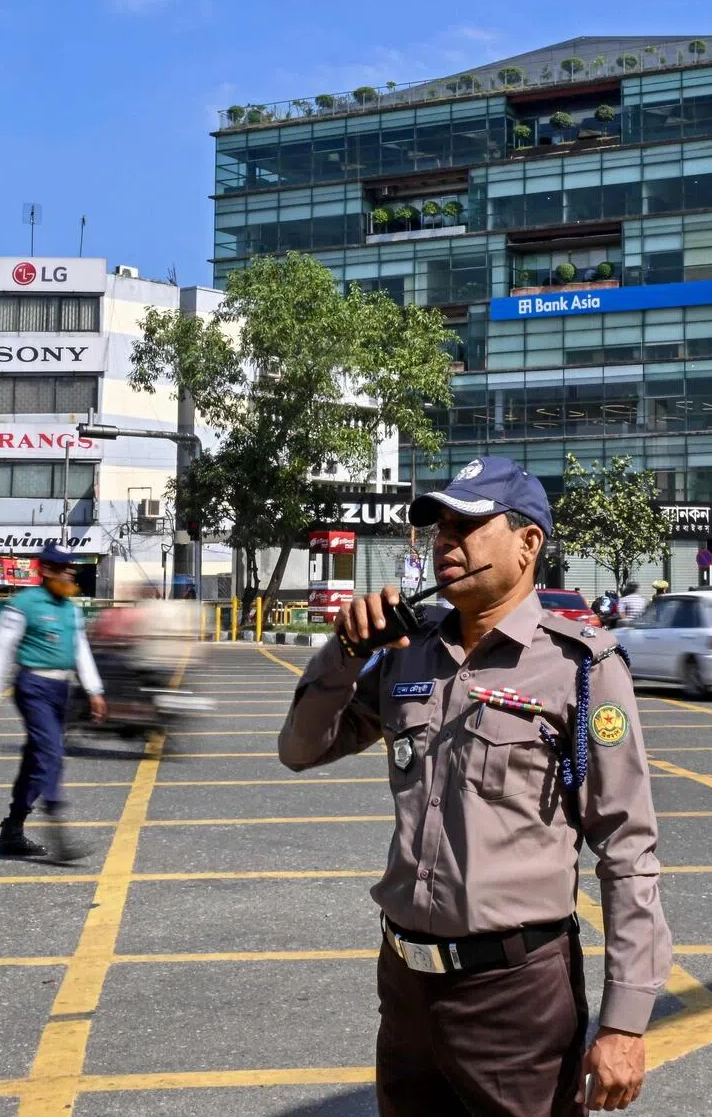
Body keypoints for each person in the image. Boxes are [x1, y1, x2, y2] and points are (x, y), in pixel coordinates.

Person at [279, 455, 671, 1117]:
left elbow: (627, 847)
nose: (445, 544)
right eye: (439, 529)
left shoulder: (581, 668)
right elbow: (300, 750)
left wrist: (625, 1021)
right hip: (405, 984)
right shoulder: (408, 651)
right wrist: (343, 651)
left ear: (528, 543)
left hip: (515, 995)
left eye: (466, 526)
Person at [0, 543, 107, 861]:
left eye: (70, 567)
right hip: (33, 686)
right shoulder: (25, 604)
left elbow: (80, 650)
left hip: (61, 688)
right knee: (51, 752)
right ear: (46, 570)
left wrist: (94, 690)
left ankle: (13, 830)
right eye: (62, 568)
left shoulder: (70, 609)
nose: (69, 572)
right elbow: (2, 649)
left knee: (36, 761)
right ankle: (58, 823)